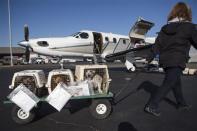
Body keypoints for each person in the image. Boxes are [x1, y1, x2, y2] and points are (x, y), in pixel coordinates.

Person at [145, 2, 197, 116]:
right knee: (169, 82)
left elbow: (157, 44)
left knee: (175, 82)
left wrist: (149, 58)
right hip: (177, 59)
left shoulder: (165, 28)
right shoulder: (190, 27)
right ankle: (152, 105)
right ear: (187, 13)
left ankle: (181, 103)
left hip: (165, 60)